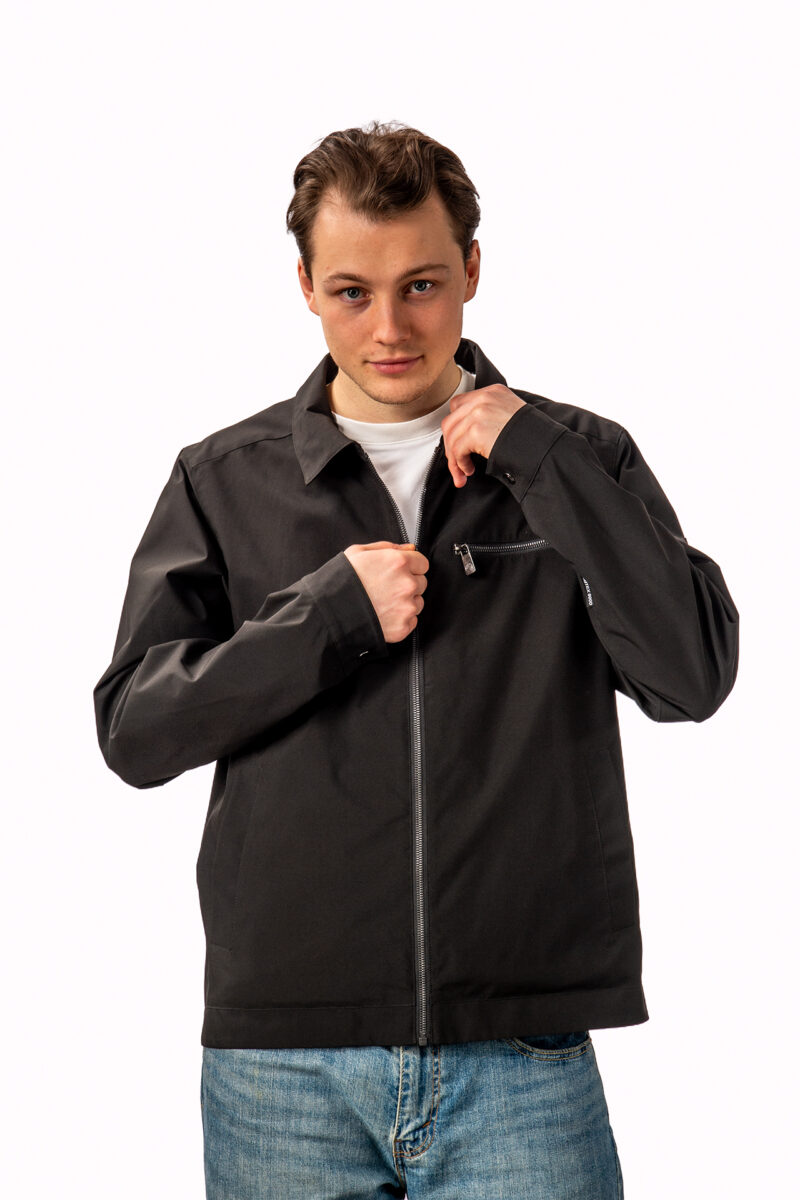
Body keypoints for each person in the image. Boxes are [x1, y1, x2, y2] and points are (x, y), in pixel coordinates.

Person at [93, 120, 739, 1198]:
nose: (390, 328)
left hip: (521, 1053)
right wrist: (327, 617)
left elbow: (692, 674)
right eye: (352, 291)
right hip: (282, 1065)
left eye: (422, 285)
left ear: (472, 270)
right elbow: (135, 731)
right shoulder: (224, 478)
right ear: (305, 287)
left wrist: (540, 462)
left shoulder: (582, 458)